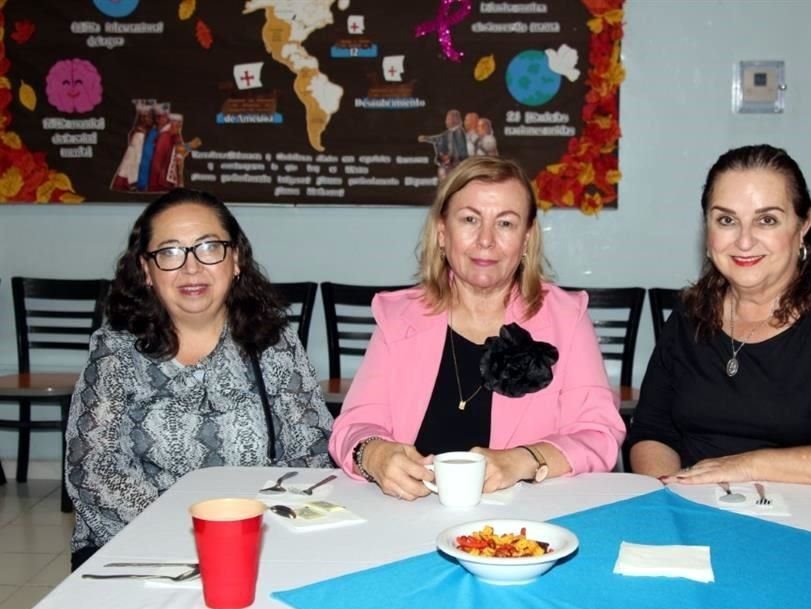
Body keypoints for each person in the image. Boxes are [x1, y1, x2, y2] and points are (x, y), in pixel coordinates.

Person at [65, 188, 333, 569]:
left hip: (258, 542)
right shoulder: (117, 350)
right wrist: (193, 535)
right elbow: (94, 469)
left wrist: (252, 530)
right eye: (170, 252)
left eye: (208, 247)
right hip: (138, 547)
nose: (192, 268)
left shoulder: (274, 343)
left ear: (235, 258)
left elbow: (314, 451)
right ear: (146, 270)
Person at [329, 156, 624, 500]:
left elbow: (600, 433)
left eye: (505, 224)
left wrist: (522, 460)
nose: (486, 240)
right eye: (470, 219)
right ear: (442, 233)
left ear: (527, 239)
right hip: (407, 518)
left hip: (526, 523)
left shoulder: (566, 318)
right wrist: (375, 455)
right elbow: (351, 427)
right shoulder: (399, 316)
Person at [627, 144, 811, 487]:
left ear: (802, 225)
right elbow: (652, 431)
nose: (744, 240)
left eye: (767, 220)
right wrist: (671, 493)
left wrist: (749, 465)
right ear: (707, 230)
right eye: (726, 220)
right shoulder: (689, 313)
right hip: (698, 507)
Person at [418, 109, 469, 180]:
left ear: (455, 119)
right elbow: (439, 138)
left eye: (448, 119)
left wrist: (453, 161)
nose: (446, 121)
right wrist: (426, 138)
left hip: (456, 166)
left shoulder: (458, 132)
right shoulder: (449, 132)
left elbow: (461, 150)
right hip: (451, 165)